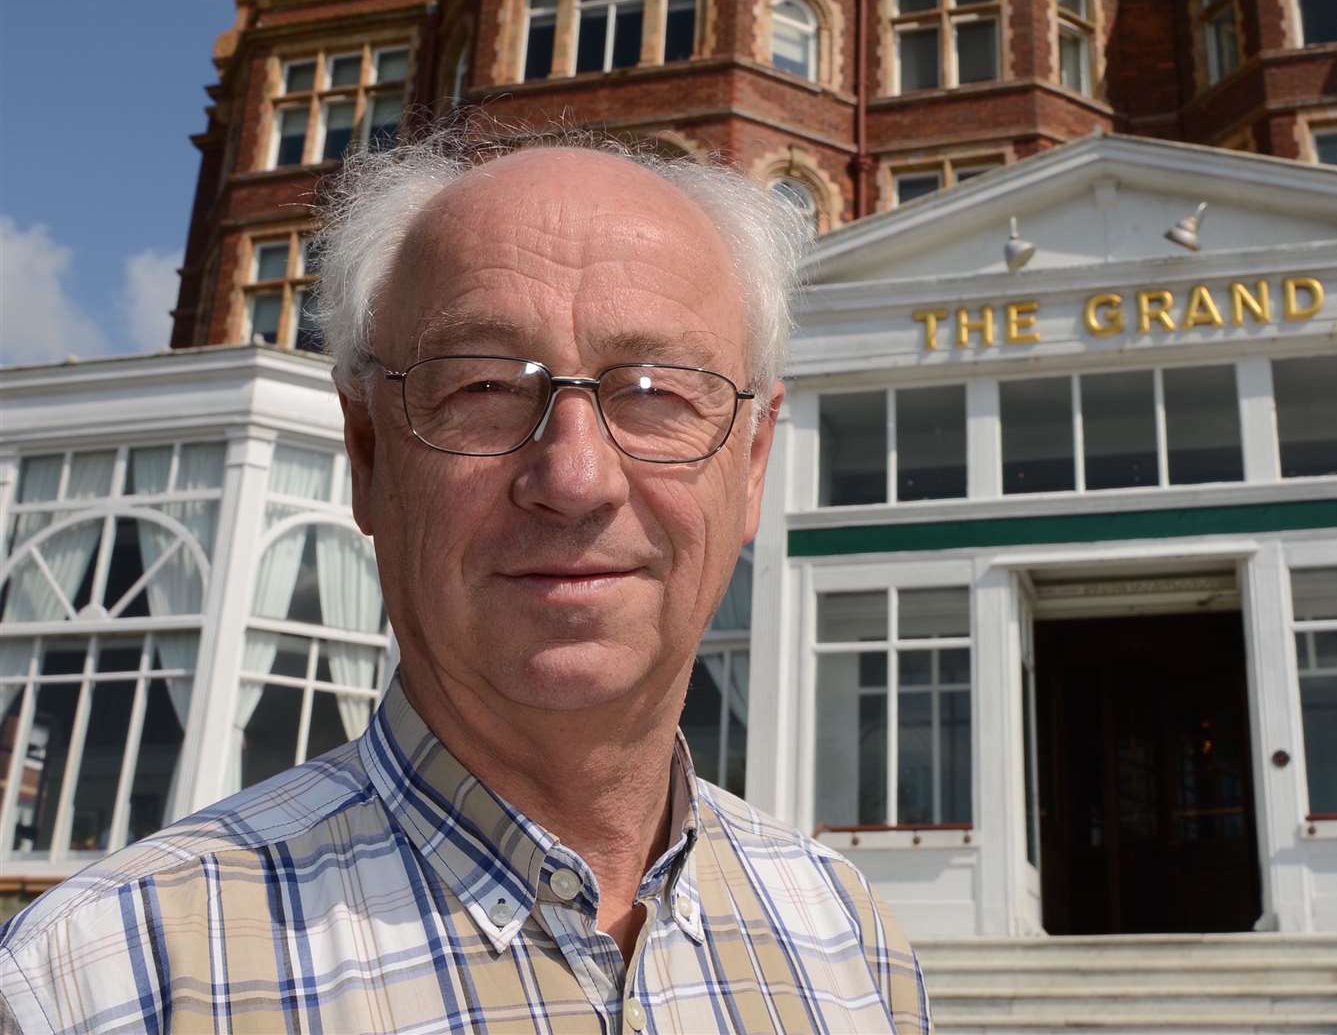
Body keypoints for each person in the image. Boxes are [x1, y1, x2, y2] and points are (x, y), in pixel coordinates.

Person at [0, 132, 930, 1033]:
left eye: (655, 393)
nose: (574, 480)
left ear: (754, 461)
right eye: (482, 388)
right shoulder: (104, 980)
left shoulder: (847, 942)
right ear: (366, 456)